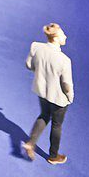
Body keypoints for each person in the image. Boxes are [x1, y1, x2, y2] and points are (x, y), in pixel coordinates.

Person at [22, 22, 74, 164]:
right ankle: (53, 156)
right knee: (56, 125)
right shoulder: (64, 60)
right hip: (58, 98)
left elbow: (28, 65)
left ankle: (30, 143)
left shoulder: (36, 46)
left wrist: (40, 72)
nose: (65, 36)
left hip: (41, 91)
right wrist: (70, 97)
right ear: (56, 37)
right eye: (63, 34)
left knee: (44, 115)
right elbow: (66, 84)